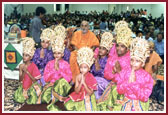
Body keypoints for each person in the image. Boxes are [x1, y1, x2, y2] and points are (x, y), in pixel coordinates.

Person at [113, 37, 153, 111]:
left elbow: (144, 97)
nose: (133, 63)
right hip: (125, 102)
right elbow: (119, 90)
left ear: (143, 63)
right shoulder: (125, 72)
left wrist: (134, 84)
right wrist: (127, 82)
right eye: (132, 60)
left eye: (137, 61)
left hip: (139, 105)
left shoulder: (147, 77)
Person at [97, 27, 132, 109]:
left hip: (124, 88)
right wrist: (113, 72)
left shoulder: (131, 59)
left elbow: (129, 79)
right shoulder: (112, 58)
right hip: (112, 85)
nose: (119, 49)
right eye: (117, 46)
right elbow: (106, 74)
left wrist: (119, 72)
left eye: (122, 46)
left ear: (127, 48)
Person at [39, 35, 72, 106]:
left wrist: (59, 70)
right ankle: (54, 96)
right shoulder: (49, 63)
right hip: (51, 85)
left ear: (62, 54)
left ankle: (57, 96)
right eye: (55, 53)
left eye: (59, 53)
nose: (56, 55)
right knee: (45, 98)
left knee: (61, 83)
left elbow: (68, 79)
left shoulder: (66, 64)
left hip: (61, 86)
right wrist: (53, 70)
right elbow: (46, 78)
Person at [64, 47, 98, 111]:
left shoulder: (91, 77)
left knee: (84, 107)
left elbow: (90, 93)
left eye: (85, 67)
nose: (82, 69)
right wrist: (80, 83)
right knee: (67, 105)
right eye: (81, 67)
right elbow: (76, 91)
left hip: (88, 96)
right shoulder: (78, 76)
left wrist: (84, 83)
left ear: (89, 68)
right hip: (79, 94)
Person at [14, 37, 42, 104]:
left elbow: (35, 80)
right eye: (23, 55)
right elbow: (20, 80)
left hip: (32, 85)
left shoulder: (33, 66)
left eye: (26, 55)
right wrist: (23, 72)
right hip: (24, 85)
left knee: (32, 100)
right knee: (18, 98)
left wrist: (27, 72)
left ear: (31, 57)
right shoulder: (21, 66)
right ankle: (25, 92)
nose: (24, 57)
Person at [90, 32, 114, 100]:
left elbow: (105, 74)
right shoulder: (96, 58)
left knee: (97, 82)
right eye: (100, 48)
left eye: (103, 49)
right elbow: (92, 72)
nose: (100, 50)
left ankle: (97, 99)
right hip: (95, 79)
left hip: (104, 81)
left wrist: (98, 67)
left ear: (107, 51)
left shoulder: (108, 61)